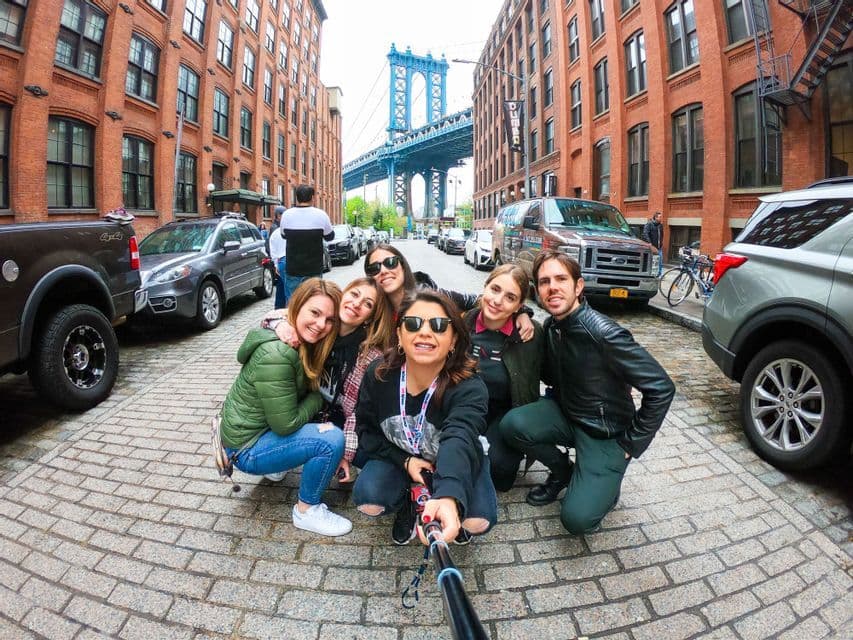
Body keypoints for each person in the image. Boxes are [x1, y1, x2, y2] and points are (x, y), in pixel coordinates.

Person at [501, 250, 675, 535]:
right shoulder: (553, 325)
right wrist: (521, 313)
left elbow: (662, 388)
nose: (552, 287)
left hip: (604, 432)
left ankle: (603, 484)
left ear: (578, 286)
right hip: (566, 412)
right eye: (545, 281)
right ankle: (563, 472)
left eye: (561, 279)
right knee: (512, 425)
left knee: (577, 520)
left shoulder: (604, 333)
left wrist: (630, 446)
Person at [353, 289, 497, 546]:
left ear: (453, 340)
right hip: (401, 456)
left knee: (478, 521)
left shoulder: (469, 386)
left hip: (455, 459)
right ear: (399, 334)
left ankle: (451, 505)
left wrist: (449, 494)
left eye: (440, 325)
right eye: (413, 323)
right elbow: (366, 430)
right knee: (369, 499)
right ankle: (409, 501)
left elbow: (461, 435)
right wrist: (405, 460)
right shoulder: (379, 375)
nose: (425, 332)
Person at [217, 278, 352, 537]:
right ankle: (307, 510)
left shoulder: (297, 339)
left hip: (252, 433)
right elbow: (285, 424)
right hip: (246, 449)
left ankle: (277, 465)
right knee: (331, 438)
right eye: (314, 313)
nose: (321, 325)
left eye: (330, 319)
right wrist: (318, 397)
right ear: (297, 306)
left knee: (315, 424)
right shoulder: (278, 354)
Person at [264, 277, 395, 479]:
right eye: (354, 294)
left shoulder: (369, 356)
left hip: (343, 419)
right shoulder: (321, 326)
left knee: (361, 457)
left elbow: (357, 413)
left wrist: (346, 454)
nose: (357, 303)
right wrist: (282, 326)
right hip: (309, 409)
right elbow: (279, 315)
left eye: (368, 304)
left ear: (370, 317)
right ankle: (283, 449)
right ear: (344, 294)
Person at [462, 264, 544, 491]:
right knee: (459, 459)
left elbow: (554, 374)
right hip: (468, 408)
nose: (498, 301)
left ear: (519, 305)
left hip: (507, 413)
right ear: (485, 288)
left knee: (499, 474)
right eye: (495, 289)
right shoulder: (463, 324)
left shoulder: (531, 334)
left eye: (510, 297)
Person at [363, 243, 535, 341]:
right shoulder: (370, 309)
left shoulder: (430, 294)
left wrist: (521, 311)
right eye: (374, 267)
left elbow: (481, 299)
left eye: (390, 262)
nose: (384, 270)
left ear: (402, 265)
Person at [280, 184, 334, 294]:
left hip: (293, 269)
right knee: (313, 300)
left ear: (296, 198)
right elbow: (330, 236)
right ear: (312, 198)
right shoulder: (321, 215)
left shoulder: (286, 215)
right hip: (313, 269)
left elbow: (283, 235)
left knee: (293, 303)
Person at [269, 206, 288, 309]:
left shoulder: (275, 230)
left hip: (281, 261)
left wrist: (276, 264)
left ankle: (279, 308)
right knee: (288, 287)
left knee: (281, 285)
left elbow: (273, 250)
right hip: (286, 259)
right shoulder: (276, 229)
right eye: (281, 215)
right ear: (277, 216)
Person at [642, 211, 664, 276]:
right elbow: (645, 234)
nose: (661, 218)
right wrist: (649, 242)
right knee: (651, 261)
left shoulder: (660, 225)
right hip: (652, 247)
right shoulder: (649, 224)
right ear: (655, 217)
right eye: (660, 217)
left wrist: (661, 243)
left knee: (660, 262)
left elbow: (662, 235)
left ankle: (659, 274)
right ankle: (649, 273)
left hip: (659, 247)